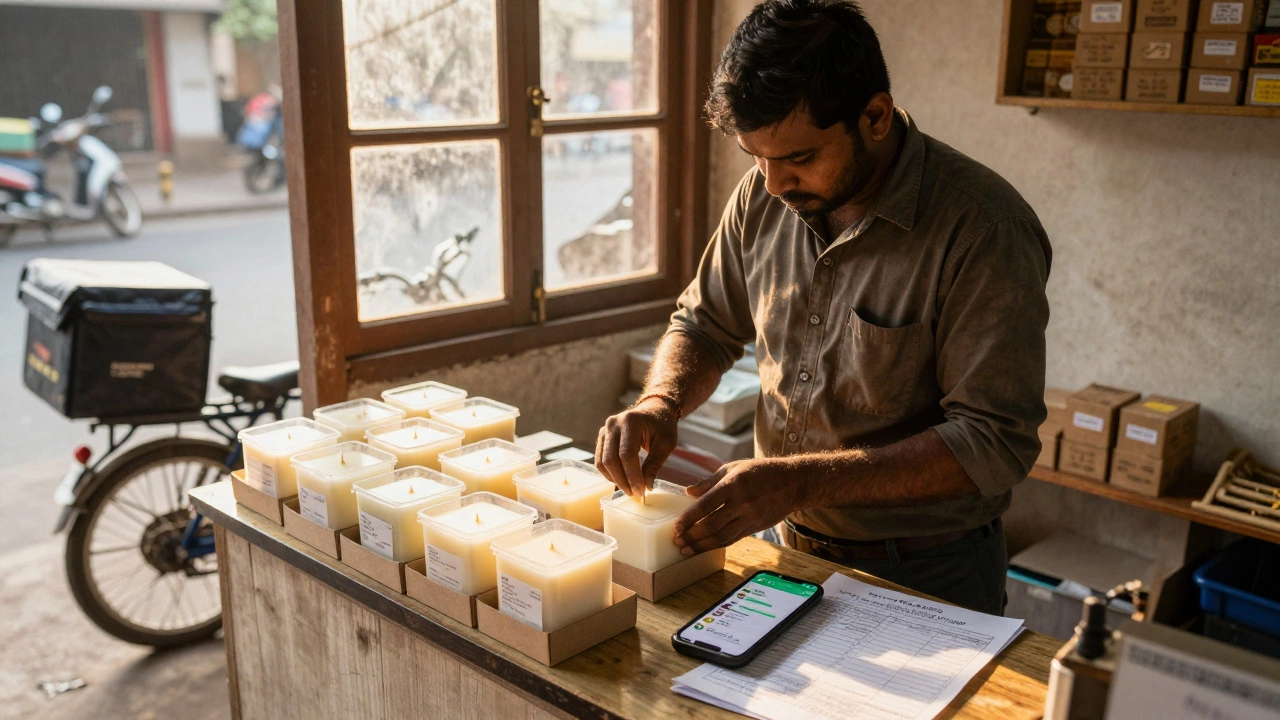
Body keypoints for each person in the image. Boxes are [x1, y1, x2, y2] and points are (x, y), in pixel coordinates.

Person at [594, 0, 1051, 616]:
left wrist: (800, 479)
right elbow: (704, 324)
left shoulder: (983, 228)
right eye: (755, 156)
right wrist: (660, 402)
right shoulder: (763, 192)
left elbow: (992, 441)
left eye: (800, 158)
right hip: (792, 547)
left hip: (928, 571)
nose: (774, 183)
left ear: (875, 117)